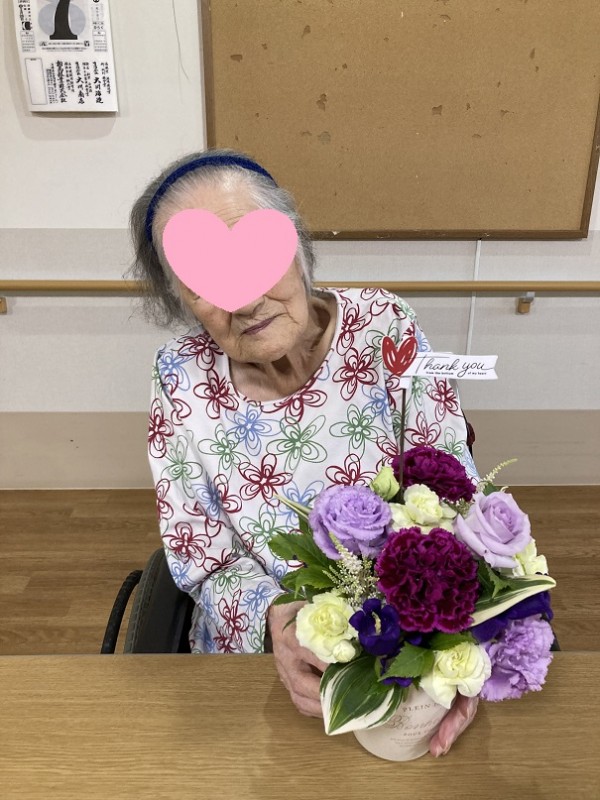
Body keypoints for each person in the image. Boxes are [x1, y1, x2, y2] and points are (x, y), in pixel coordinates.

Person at [129, 148, 479, 757]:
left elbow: (452, 486)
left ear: (296, 247)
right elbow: (200, 553)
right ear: (181, 299)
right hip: (268, 657)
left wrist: (461, 649)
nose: (243, 300)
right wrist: (278, 620)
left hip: (408, 637)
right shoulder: (179, 375)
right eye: (205, 281)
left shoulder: (385, 326)